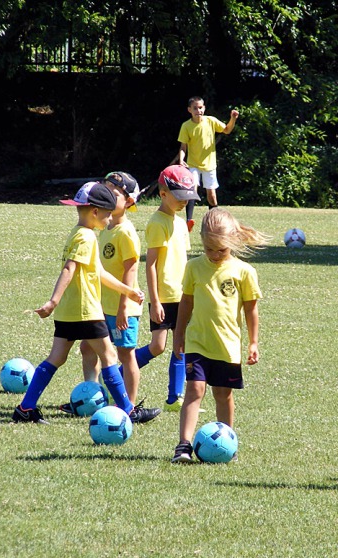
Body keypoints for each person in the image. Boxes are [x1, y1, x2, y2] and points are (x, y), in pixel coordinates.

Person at [12, 182, 155, 425]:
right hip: (86, 311)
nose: (110, 219)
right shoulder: (87, 237)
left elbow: (97, 271)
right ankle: (128, 411)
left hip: (69, 311)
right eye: (108, 214)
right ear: (95, 212)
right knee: (109, 356)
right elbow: (70, 268)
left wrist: (128, 291)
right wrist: (52, 301)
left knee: (56, 358)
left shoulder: (76, 233)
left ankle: (25, 408)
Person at [170, 208, 268, 463]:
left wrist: (254, 342)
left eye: (221, 250)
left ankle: (228, 443)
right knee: (194, 389)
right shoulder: (193, 267)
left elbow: (251, 309)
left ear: (232, 242)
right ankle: (183, 446)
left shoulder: (244, 271)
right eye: (209, 249)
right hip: (197, 342)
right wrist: (179, 335)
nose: (214, 255)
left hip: (227, 346)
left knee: (223, 394)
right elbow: (186, 304)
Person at [68, 172, 161, 423]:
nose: (109, 196)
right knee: (87, 347)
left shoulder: (126, 232)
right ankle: (91, 397)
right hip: (101, 305)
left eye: (116, 193)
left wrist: (123, 307)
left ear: (130, 202)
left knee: (125, 354)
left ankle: (127, 407)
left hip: (123, 308)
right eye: (106, 190)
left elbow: (131, 269)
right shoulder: (104, 227)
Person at [134, 165, 198, 412]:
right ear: (163, 194)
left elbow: (184, 260)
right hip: (163, 296)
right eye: (180, 197)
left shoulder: (181, 224)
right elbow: (150, 265)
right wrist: (156, 301)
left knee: (180, 345)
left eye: (188, 198)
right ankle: (118, 375)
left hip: (183, 295)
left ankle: (175, 398)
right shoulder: (157, 223)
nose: (184, 202)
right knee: (158, 347)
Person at [177, 96, 239, 231]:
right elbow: (183, 147)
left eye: (200, 107)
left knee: (212, 195)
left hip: (209, 165)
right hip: (193, 164)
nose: (198, 110)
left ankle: (214, 220)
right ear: (189, 110)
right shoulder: (186, 126)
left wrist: (233, 118)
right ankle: (189, 221)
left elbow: (227, 130)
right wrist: (182, 160)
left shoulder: (211, 121)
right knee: (192, 189)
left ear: (204, 108)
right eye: (195, 108)